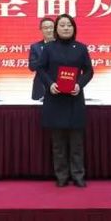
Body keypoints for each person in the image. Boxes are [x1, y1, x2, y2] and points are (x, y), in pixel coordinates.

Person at [36, 14, 93, 187]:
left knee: (76, 143)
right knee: (58, 143)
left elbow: (89, 71)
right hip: (55, 99)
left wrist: (79, 84)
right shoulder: (49, 48)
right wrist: (50, 84)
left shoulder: (81, 48)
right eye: (62, 25)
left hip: (74, 99)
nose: (66, 28)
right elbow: (40, 69)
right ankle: (61, 176)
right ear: (56, 29)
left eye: (69, 25)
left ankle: (78, 175)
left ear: (74, 28)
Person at [28, 17, 55, 101]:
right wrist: (45, 57)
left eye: (51, 27)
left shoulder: (63, 46)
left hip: (58, 84)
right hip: (40, 85)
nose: (49, 30)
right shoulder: (35, 47)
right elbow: (32, 67)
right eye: (45, 28)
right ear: (41, 30)